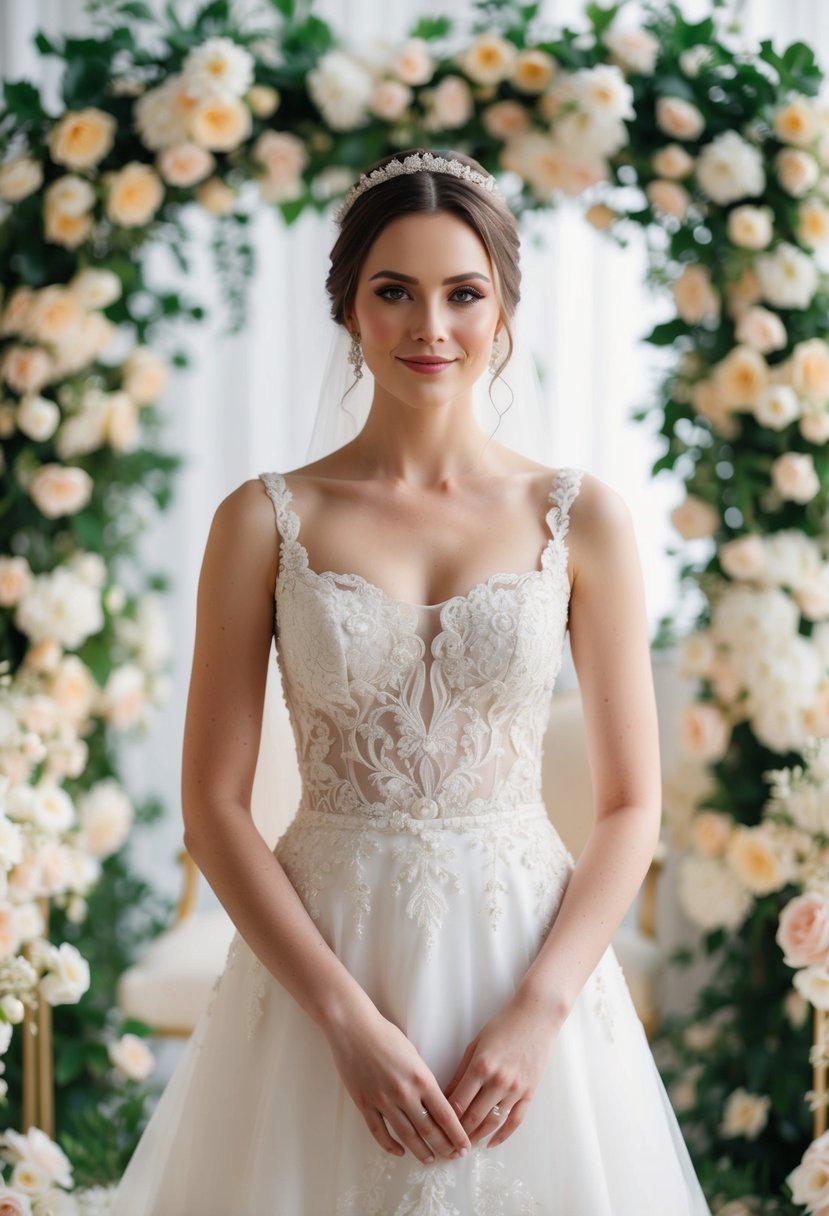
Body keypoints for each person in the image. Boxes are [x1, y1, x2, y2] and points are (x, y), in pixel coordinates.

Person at [113, 148, 712, 1215]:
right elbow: (212, 805)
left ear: (504, 310)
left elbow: (630, 805)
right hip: (321, 960)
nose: (429, 327)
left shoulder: (583, 520)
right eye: (393, 292)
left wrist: (539, 1010)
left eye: (462, 293)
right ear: (347, 306)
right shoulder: (263, 520)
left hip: (522, 950)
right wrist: (341, 1019)